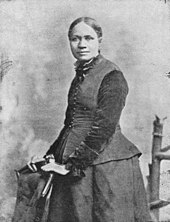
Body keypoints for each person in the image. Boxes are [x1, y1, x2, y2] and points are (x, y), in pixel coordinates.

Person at [12, 17, 151, 222]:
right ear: (69, 42)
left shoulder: (112, 76)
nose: (82, 44)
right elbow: (71, 125)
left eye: (88, 38)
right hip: (75, 162)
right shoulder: (81, 75)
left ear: (99, 40)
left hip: (106, 165)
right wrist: (50, 156)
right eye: (75, 39)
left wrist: (70, 166)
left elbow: (103, 128)